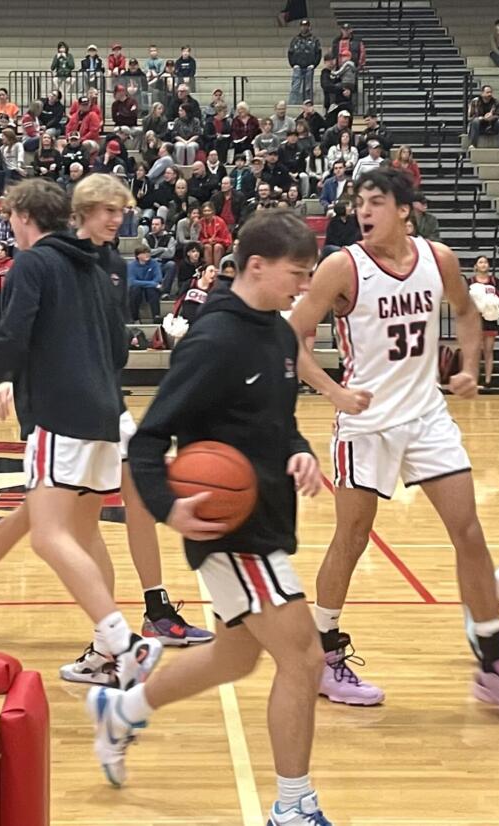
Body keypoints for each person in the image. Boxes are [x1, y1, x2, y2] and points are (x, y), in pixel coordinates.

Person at [286, 168, 499, 725]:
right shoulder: (343, 266)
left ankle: (495, 664)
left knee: (470, 530)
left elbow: (466, 309)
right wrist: (335, 391)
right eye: (359, 202)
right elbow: (291, 338)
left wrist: (468, 369)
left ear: (405, 210)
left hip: (427, 416)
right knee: (353, 537)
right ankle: (324, 650)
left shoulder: (439, 258)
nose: (364, 211)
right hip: (366, 424)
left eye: (376, 202)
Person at [96, 210, 331, 826]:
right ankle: (294, 806)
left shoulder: (278, 335)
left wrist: (301, 454)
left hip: (267, 519)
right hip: (230, 530)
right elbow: (148, 441)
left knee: (236, 658)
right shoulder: (214, 340)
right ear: (256, 266)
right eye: (296, 273)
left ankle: (120, 711)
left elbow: (279, 426)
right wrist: (170, 506)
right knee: (304, 659)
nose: (305, 286)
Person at [0, 176, 164, 692]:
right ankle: (104, 655)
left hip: (61, 415)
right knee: (87, 532)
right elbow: (118, 351)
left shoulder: (35, 262)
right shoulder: (98, 267)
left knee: (50, 535)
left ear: (23, 219)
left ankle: (123, 642)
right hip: (105, 415)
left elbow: (11, 334)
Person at [468, 256, 499, 387]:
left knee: (488, 350)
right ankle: (473, 380)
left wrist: (492, 305)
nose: (483, 264)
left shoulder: (494, 281)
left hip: (490, 319)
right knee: (475, 351)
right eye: (480, 262)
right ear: (475, 266)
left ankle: (488, 380)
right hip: (474, 320)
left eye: (485, 262)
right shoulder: (470, 281)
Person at [289, 20, 323, 105]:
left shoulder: (315, 40)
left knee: (308, 88)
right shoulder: (295, 39)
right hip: (297, 67)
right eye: (302, 26)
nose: (304, 27)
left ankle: (308, 106)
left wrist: (314, 65)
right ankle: (292, 106)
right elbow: (290, 52)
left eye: (306, 25)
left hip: (309, 67)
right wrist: (293, 64)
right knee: (295, 88)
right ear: (300, 27)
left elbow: (318, 53)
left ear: (309, 27)